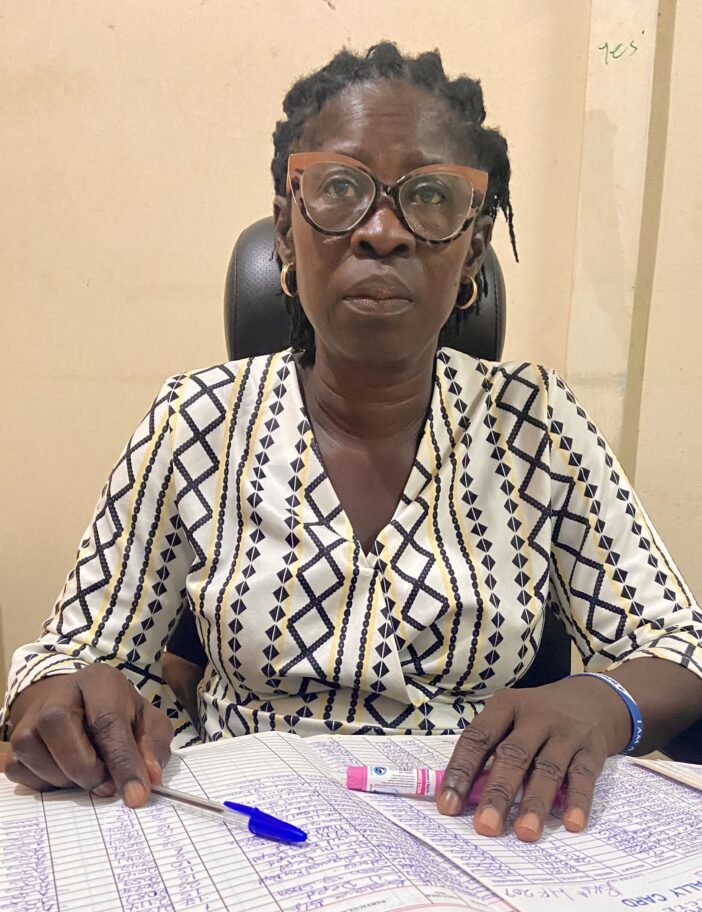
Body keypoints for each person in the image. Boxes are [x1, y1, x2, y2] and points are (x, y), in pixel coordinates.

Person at [4, 43, 701, 843]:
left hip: (479, 829)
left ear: (472, 249)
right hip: (238, 829)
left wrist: (604, 701)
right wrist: (64, 696)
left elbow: (680, 642)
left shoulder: (534, 421)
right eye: (340, 189)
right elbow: (71, 651)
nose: (382, 232)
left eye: (430, 197)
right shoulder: (196, 417)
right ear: (286, 229)